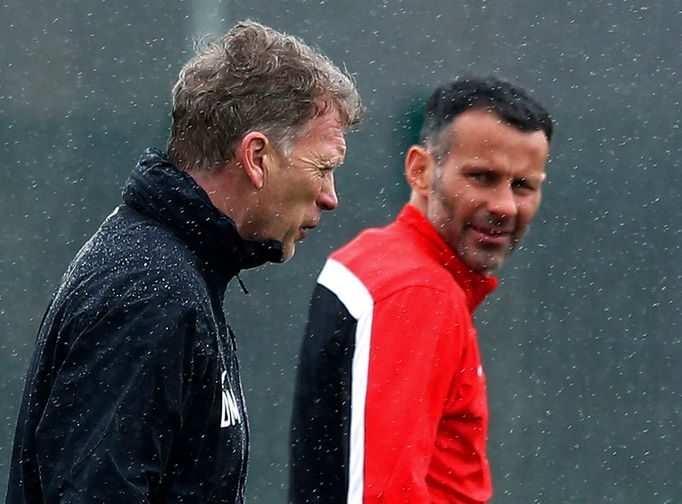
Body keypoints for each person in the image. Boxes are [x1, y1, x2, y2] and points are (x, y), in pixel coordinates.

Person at [7, 20, 362, 503]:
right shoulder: (152, 293)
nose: (330, 197)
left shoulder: (171, 271)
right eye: (322, 168)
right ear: (256, 157)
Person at [289, 76, 552, 503]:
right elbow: (383, 494)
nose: (505, 206)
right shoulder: (418, 291)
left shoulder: (376, 260)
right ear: (420, 171)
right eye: (482, 177)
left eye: (523, 186)